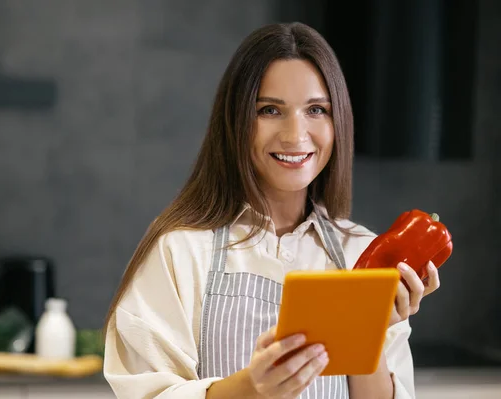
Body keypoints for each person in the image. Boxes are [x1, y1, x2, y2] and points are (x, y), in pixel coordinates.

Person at [102, 22, 440, 399]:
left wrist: (369, 333)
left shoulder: (361, 253)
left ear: (338, 121)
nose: (296, 135)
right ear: (235, 121)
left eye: (316, 109)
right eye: (269, 110)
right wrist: (251, 387)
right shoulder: (180, 250)